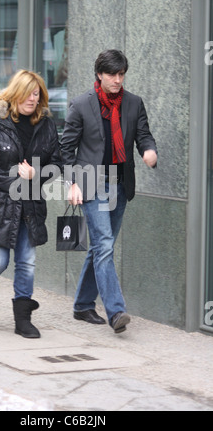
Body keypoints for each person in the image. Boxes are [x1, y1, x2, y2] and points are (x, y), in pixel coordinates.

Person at [60, 49, 157, 334]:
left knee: (102, 248)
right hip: (91, 182)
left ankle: (82, 304)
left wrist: (149, 150)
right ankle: (116, 312)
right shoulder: (81, 105)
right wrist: (72, 183)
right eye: (112, 74)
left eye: (121, 74)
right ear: (100, 74)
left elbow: (143, 134)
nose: (117, 79)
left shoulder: (134, 104)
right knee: (103, 245)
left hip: (120, 183)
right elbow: (66, 149)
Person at [0, 70, 61, 339]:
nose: (32, 98)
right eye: (28, 93)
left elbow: (58, 165)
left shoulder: (46, 125)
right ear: (16, 93)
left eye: (37, 93)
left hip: (30, 206)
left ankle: (22, 320)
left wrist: (36, 173)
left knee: (27, 262)